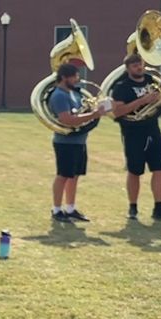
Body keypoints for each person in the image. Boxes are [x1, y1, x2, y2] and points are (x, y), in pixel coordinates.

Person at [109, 53, 161, 220]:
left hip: (153, 129)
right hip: (133, 132)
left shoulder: (151, 80)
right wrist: (142, 100)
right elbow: (118, 111)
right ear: (128, 69)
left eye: (140, 64)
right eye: (135, 66)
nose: (139, 68)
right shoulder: (122, 86)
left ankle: (159, 207)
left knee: (159, 168)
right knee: (135, 171)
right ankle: (133, 208)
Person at [47, 63, 106, 222]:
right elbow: (67, 119)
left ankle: (70, 208)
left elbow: (81, 114)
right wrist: (94, 114)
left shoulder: (74, 93)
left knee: (74, 176)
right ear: (64, 77)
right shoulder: (59, 95)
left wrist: (96, 110)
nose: (78, 79)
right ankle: (57, 209)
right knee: (63, 175)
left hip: (79, 141)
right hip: (65, 142)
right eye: (75, 76)